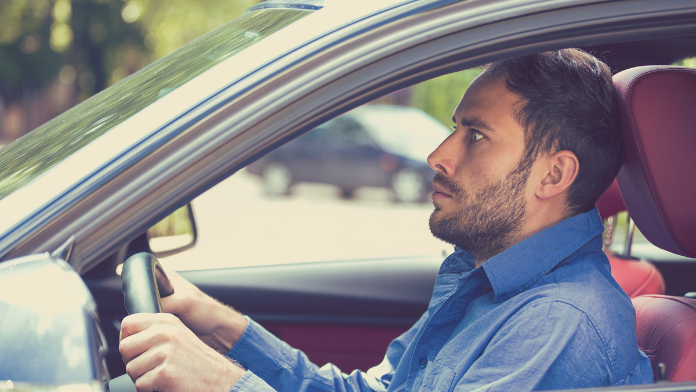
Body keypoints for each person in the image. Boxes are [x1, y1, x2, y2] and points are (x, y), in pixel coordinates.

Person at [118, 49, 654, 392]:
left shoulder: (559, 326)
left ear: (553, 174)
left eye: (476, 134)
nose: (438, 155)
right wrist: (214, 320)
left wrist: (222, 384)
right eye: (455, 128)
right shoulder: (485, 281)